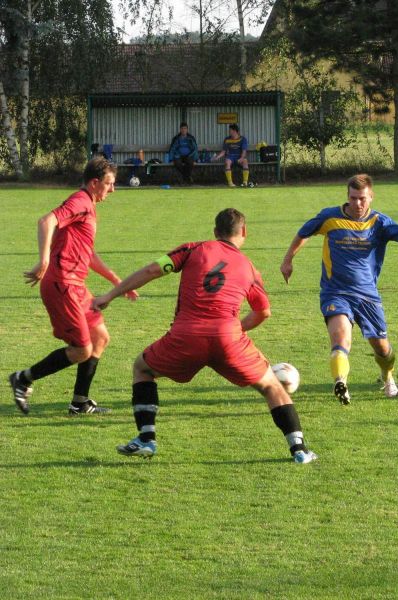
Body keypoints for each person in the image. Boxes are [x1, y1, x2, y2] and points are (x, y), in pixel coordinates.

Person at [91, 208, 317, 464]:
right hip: (229, 338)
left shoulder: (192, 249)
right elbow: (263, 312)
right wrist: (234, 332)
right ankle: (298, 449)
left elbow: (152, 271)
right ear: (244, 232)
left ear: (215, 232)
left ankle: (146, 438)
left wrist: (109, 296)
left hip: (185, 336)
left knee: (143, 369)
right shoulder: (249, 267)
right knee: (270, 386)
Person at [280, 174, 398, 405]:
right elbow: (304, 233)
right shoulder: (330, 217)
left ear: (371, 197)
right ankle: (340, 382)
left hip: (367, 296)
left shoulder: (379, 222)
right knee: (341, 338)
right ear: (347, 196)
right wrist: (288, 260)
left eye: (362, 198)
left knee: (382, 349)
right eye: (353, 198)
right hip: (336, 292)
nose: (357, 204)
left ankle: (388, 377)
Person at [8, 157, 138, 416]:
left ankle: (79, 402)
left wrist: (117, 281)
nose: (113, 190)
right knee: (81, 349)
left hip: (76, 285)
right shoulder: (80, 201)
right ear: (94, 183)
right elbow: (47, 221)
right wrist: (44, 259)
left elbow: (87, 254)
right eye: (109, 184)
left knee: (100, 337)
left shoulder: (89, 205)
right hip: (61, 285)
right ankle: (23, 379)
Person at [212, 123, 249, 188]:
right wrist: (217, 157)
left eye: (230, 130)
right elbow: (223, 152)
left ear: (235, 131)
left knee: (245, 161)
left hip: (239, 156)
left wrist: (242, 158)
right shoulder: (227, 139)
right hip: (230, 156)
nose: (229, 132)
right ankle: (230, 183)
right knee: (227, 162)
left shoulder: (243, 139)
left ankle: (245, 182)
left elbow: (244, 151)